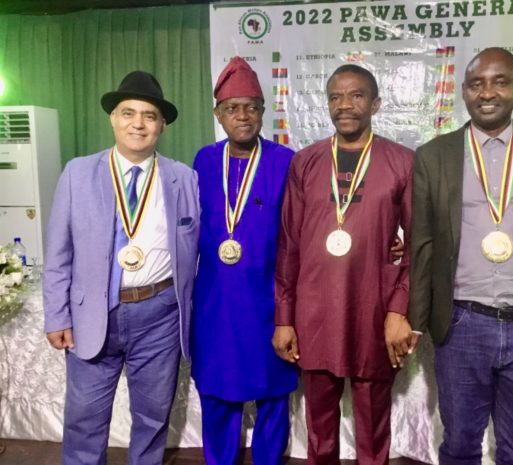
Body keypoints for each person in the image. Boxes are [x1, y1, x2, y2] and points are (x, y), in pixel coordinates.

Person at [409, 47, 513, 465]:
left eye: (500, 81)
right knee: (461, 443)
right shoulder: (435, 155)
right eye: (476, 83)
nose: (488, 92)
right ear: (464, 93)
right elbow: (423, 244)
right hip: (463, 323)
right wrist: (415, 322)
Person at [43, 71, 200, 465]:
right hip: (92, 315)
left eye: (149, 115)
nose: (138, 123)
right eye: (128, 113)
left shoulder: (185, 178)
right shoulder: (78, 173)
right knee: (84, 419)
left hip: (159, 316)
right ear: (112, 118)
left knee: (152, 416)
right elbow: (58, 254)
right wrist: (56, 315)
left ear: (162, 125)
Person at [272, 64, 415, 465]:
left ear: (376, 104)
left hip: (373, 310)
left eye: (355, 96)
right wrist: (284, 317)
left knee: (373, 425)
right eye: (335, 97)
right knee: (319, 427)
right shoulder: (306, 162)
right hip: (314, 312)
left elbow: (418, 245)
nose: (344, 105)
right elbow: (289, 244)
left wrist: (399, 310)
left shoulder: (402, 162)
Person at [190, 57, 298, 465]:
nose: (243, 115)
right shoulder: (202, 161)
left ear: (263, 113)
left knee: (272, 392)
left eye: (252, 107)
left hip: (270, 301)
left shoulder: (286, 161)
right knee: (218, 392)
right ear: (218, 114)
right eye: (233, 107)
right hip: (215, 303)